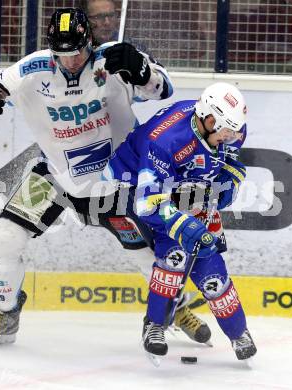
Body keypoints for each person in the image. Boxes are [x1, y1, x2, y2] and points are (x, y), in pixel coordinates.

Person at [0, 7, 209, 347]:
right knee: (2, 237)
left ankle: (175, 306)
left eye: (77, 52)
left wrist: (141, 69)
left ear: (89, 41)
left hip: (119, 178)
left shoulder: (114, 60)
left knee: (148, 256)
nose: (71, 61)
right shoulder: (34, 69)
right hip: (57, 176)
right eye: (62, 54)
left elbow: (163, 88)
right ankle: (5, 315)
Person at [102, 82, 257, 361]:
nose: (232, 136)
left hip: (185, 191)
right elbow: (147, 204)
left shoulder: (228, 126)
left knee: (212, 272)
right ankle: (154, 325)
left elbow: (234, 163)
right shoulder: (165, 141)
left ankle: (238, 332)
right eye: (226, 131)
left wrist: (227, 184)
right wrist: (185, 227)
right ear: (209, 120)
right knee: (173, 255)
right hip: (131, 186)